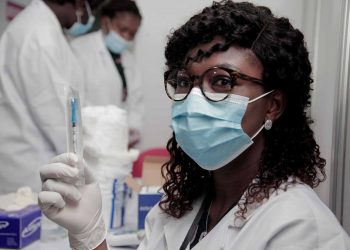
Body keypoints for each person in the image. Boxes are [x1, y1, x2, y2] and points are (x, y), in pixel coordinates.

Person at [38, 1, 350, 249]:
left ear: (273, 106)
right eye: (186, 81)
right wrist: (91, 238)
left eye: (222, 81)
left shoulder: (300, 228)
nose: (194, 99)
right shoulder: (178, 207)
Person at [0, 0, 102, 194]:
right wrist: (89, 164)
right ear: (80, 3)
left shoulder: (41, 27)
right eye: (91, 10)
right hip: (29, 165)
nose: (89, 19)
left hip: (32, 160)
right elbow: (56, 118)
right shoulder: (40, 35)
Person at [70, 0, 143, 148]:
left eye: (132, 34)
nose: (127, 37)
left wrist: (132, 129)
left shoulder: (128, 59)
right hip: (89, 142)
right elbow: (76, 101)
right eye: (123, 30)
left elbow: (135, 100)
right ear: (105, 22)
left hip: (119, 143)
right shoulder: (79, 49)